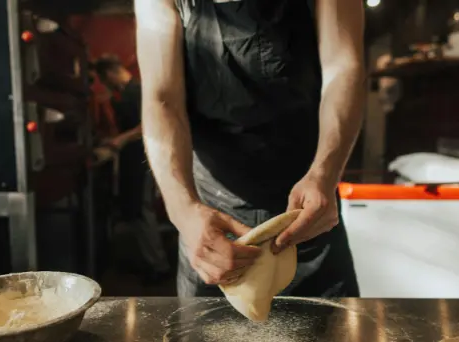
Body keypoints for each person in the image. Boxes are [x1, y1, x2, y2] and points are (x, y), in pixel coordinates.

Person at [135, 0, 364, 297]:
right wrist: (183, 211)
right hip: (210, 222)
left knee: (331, 339)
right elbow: (162, 98)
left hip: (309, 213)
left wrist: (325, 173)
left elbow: (344, 68)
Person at [93, 56, 171, 283]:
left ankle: (159, 267)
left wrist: (120, 140)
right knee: (137, 210)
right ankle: (153, 262)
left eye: (103, 80)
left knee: (141, 210)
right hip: (135, 159)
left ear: (109, 73)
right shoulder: (128, 92)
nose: (106, 86)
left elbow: (148, 125)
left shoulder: (136, 91)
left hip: (141, 159)